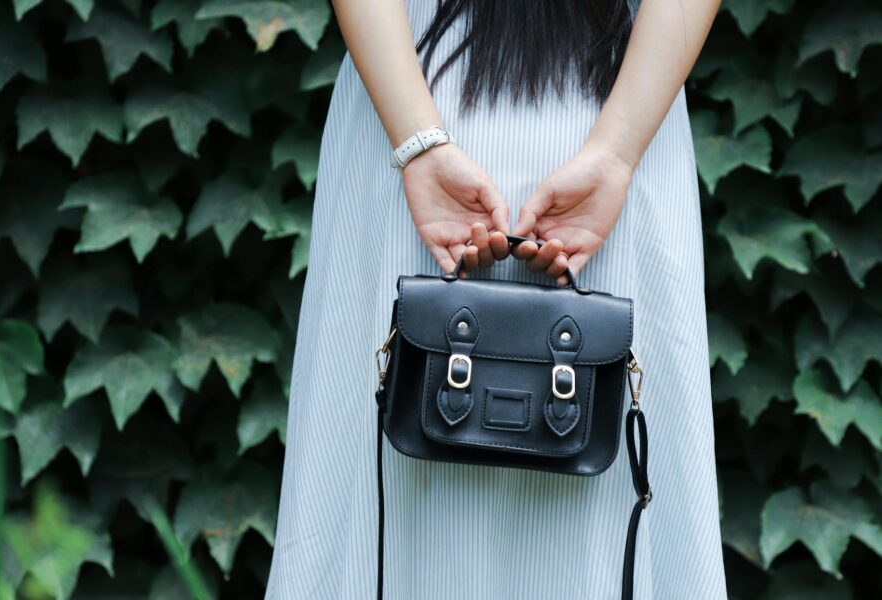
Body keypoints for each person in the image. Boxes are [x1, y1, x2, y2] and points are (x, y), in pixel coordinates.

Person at [264, 0, 727, 598]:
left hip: (411, 94)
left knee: (371, 516)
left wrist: (420, 145)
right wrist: (616, 152)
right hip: (617, 100)